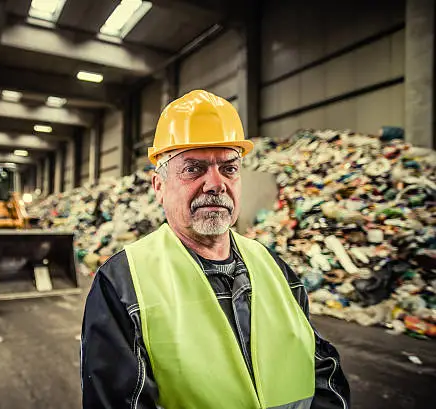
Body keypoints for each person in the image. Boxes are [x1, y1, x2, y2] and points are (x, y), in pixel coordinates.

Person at [80, 90, 350, 409]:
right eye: (194, 169)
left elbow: (322, 374)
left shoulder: (275, 268)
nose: (216, 184)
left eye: (229, 168)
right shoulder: (123, 284)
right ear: (159, 187)